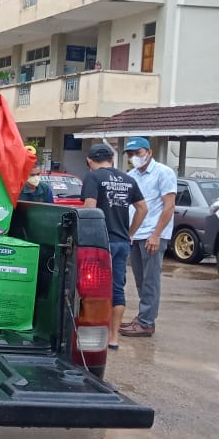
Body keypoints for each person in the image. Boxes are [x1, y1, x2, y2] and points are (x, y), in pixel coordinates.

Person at [81, 143, 147, 350]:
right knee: (117, 288)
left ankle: (91, 332)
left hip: (100, 243)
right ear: (111, 159)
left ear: (90, 160)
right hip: (121, 242)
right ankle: (113, 338)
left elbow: (90, 207)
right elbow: (143, 208)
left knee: (91, 287)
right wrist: (130, 233)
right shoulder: (128, 179)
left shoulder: (93, 176)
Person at [120, 137, 176, 338]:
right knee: (140, 279)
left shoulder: (164, 173)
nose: (134, 157)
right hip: (135, 234)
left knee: (150, 280)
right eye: (130, 154)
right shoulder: (131, 175)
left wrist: (156, 234)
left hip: (153, 234)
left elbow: (169, 206)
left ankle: (146, 322)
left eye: (138, 152)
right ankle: (143, 317)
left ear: (149, 152)